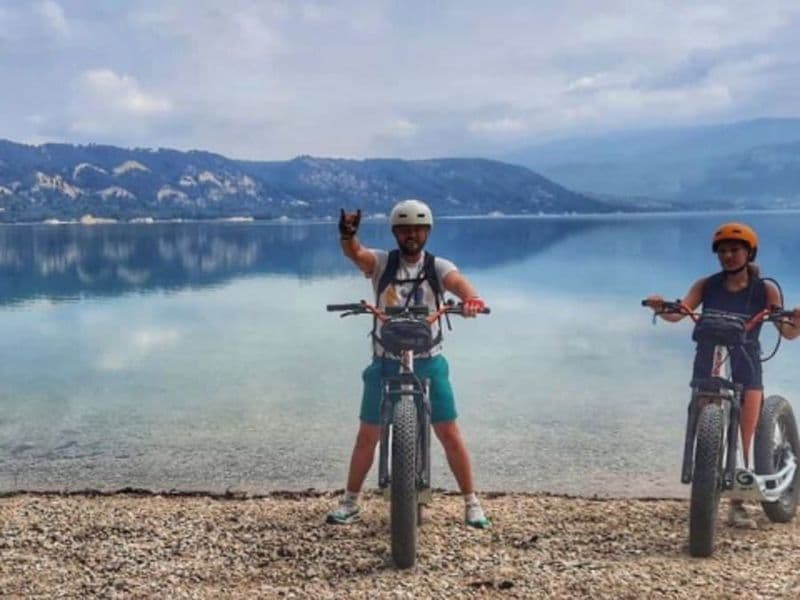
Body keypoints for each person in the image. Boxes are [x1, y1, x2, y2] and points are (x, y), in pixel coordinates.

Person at [326, 198, 491, 529]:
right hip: (385, 359)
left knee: (448, 431)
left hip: (428, 360)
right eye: (404, 230)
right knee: (367, 435)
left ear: (427, 232)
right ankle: (351, 500)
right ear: (395, 233)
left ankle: (471, 502)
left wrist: (471, 300)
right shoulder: (383, 263)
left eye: (417, 229)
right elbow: (356, 255)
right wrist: (348, 235)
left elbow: (458, 283)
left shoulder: (437, 266)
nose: (410, 235)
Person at [645, 222, 800, 529]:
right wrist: (662, 307)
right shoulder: (707, 284)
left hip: (746, 361)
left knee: (747, 430)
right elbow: (681, 312)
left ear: (749, 252)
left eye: (735, 250)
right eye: (723, 251)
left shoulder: (764, 289)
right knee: (705, 421)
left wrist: (796, 321)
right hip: (707, 357)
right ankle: (707, 487)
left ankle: (738, 504)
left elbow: (786, 331)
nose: (728, 256)